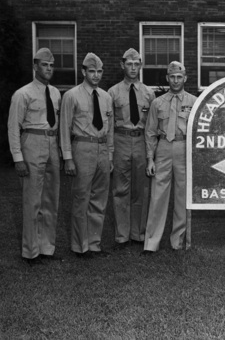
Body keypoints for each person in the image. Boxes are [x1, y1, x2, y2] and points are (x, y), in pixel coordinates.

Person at [7, 48, 61, 266]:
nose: (48, 69)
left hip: (52, 143)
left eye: (51, 65)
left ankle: (47, 248)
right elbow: (13, 128)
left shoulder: (56, 93)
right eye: (44, 65)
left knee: (51, 198)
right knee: (32, 200)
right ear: (35, 65)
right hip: (32, 142)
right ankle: (30, 251)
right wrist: (18, 158)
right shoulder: (22, 94)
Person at [60, 52, 114, 259]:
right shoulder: (71, 95)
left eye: (99, 71)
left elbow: (109, 129)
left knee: (99, 199)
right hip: (82, 147)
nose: (96, 75)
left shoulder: (106, 96)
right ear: (83, 71)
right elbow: (64, 128)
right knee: (81, 198)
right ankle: (79, 246)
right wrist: (67, 158)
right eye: (92, 71)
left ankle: (94, 244)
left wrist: (110, 155)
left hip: (101, 149)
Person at [141, 61, 197, 255]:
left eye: (179, 77)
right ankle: (151, 243)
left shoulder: (194, 102)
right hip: (164, 147)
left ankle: (178, 241)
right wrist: (150, 159)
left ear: (185, 78)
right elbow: (150, 133)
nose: (175, 80)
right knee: (158, 196)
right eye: (172, 77)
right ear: (167, 78)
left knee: (182, 197)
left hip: (183, 147)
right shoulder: (158, 103)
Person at [108, 49, 155, 249]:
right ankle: (122, 236)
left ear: (141, 65)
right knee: (120, 188)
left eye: (137, 64)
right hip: (120, 140)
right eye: (129, 64)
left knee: (141, 190)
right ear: (122, 65)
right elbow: (108, 124)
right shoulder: (112, 92)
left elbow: (152, 126)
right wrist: (110, 152)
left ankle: (138, 233)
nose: (133, 68)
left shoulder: (149, 93)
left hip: (141, 142)